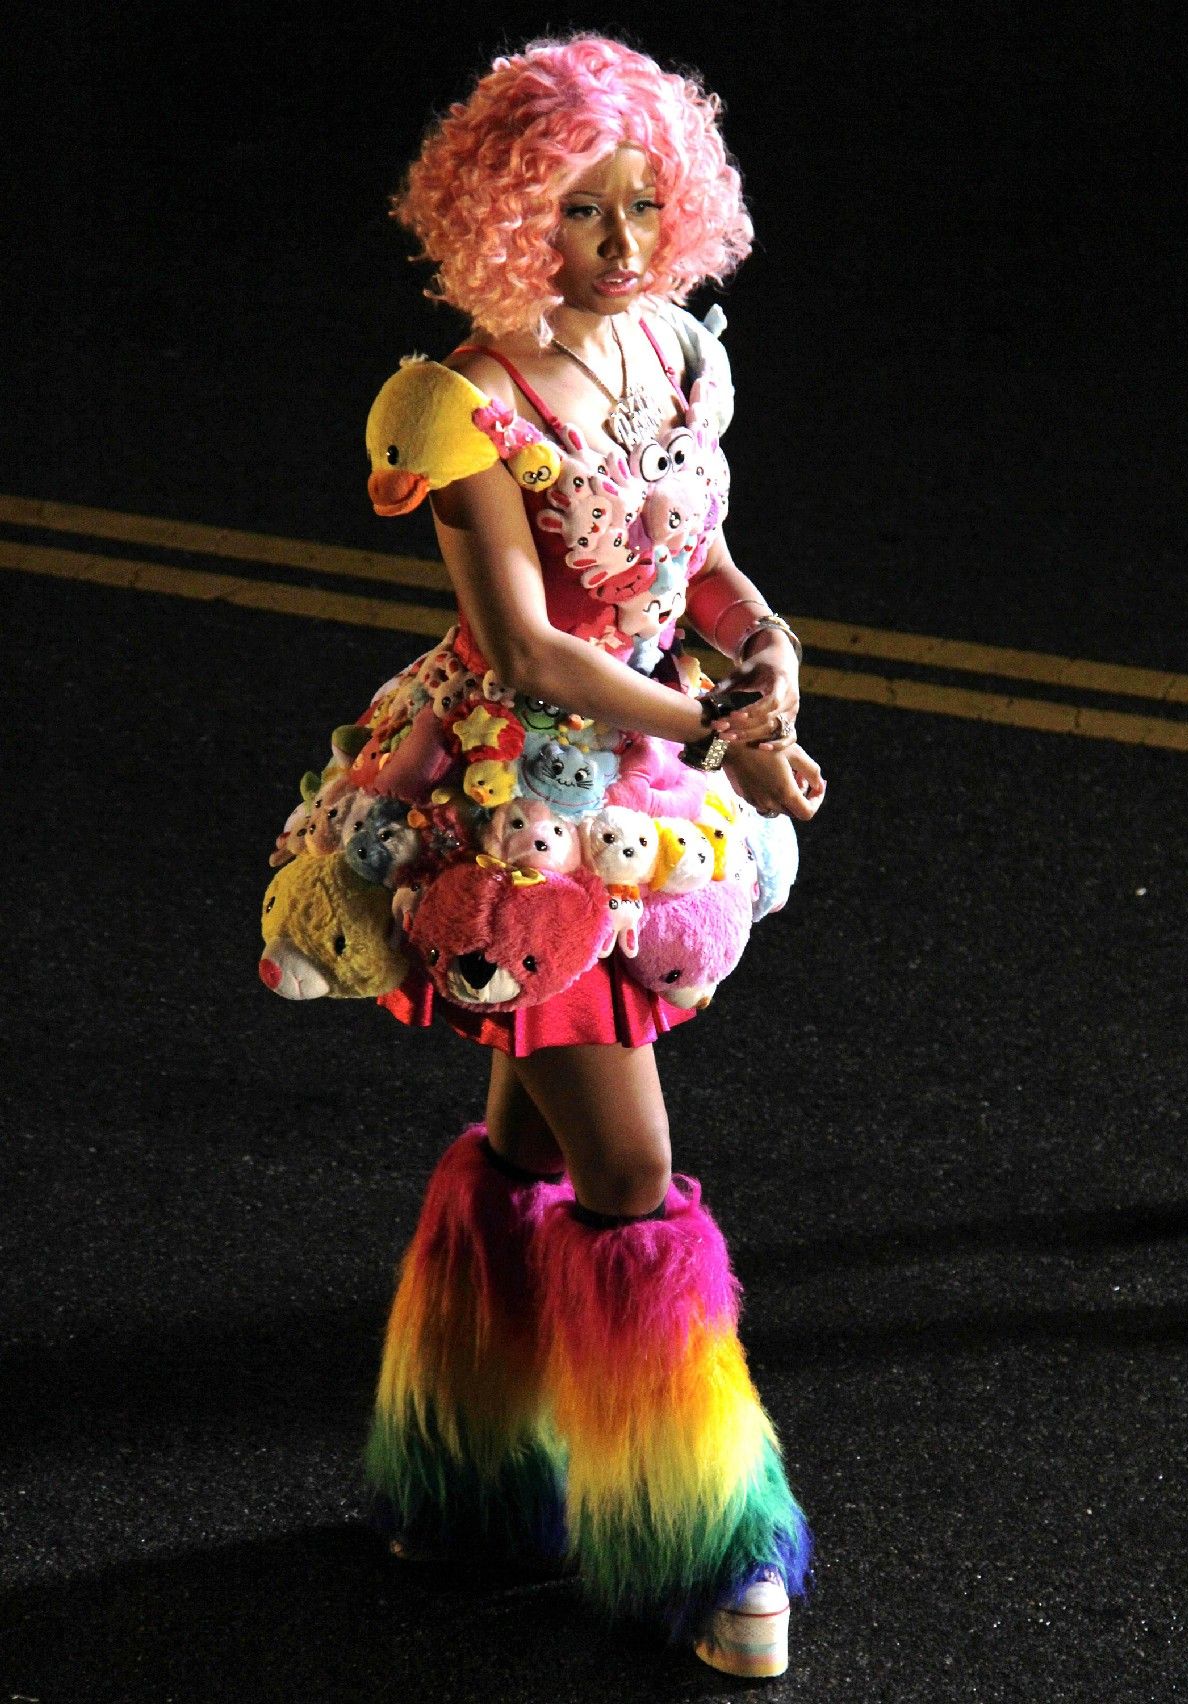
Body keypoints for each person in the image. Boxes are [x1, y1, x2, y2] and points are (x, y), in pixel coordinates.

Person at [355, 34, 825, 1678]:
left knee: (527, 1133)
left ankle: (468, 1470)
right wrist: (711, 733)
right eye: (576, 210)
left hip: (654, 779)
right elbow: (524, 648)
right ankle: (704, 1547)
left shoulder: (680, 358)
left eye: (642, 204)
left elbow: (690, 552)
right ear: (502, 219)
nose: (621, 244)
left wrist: (763, 643)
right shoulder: (461, 401)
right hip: (533, 824)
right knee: (626, 1177)